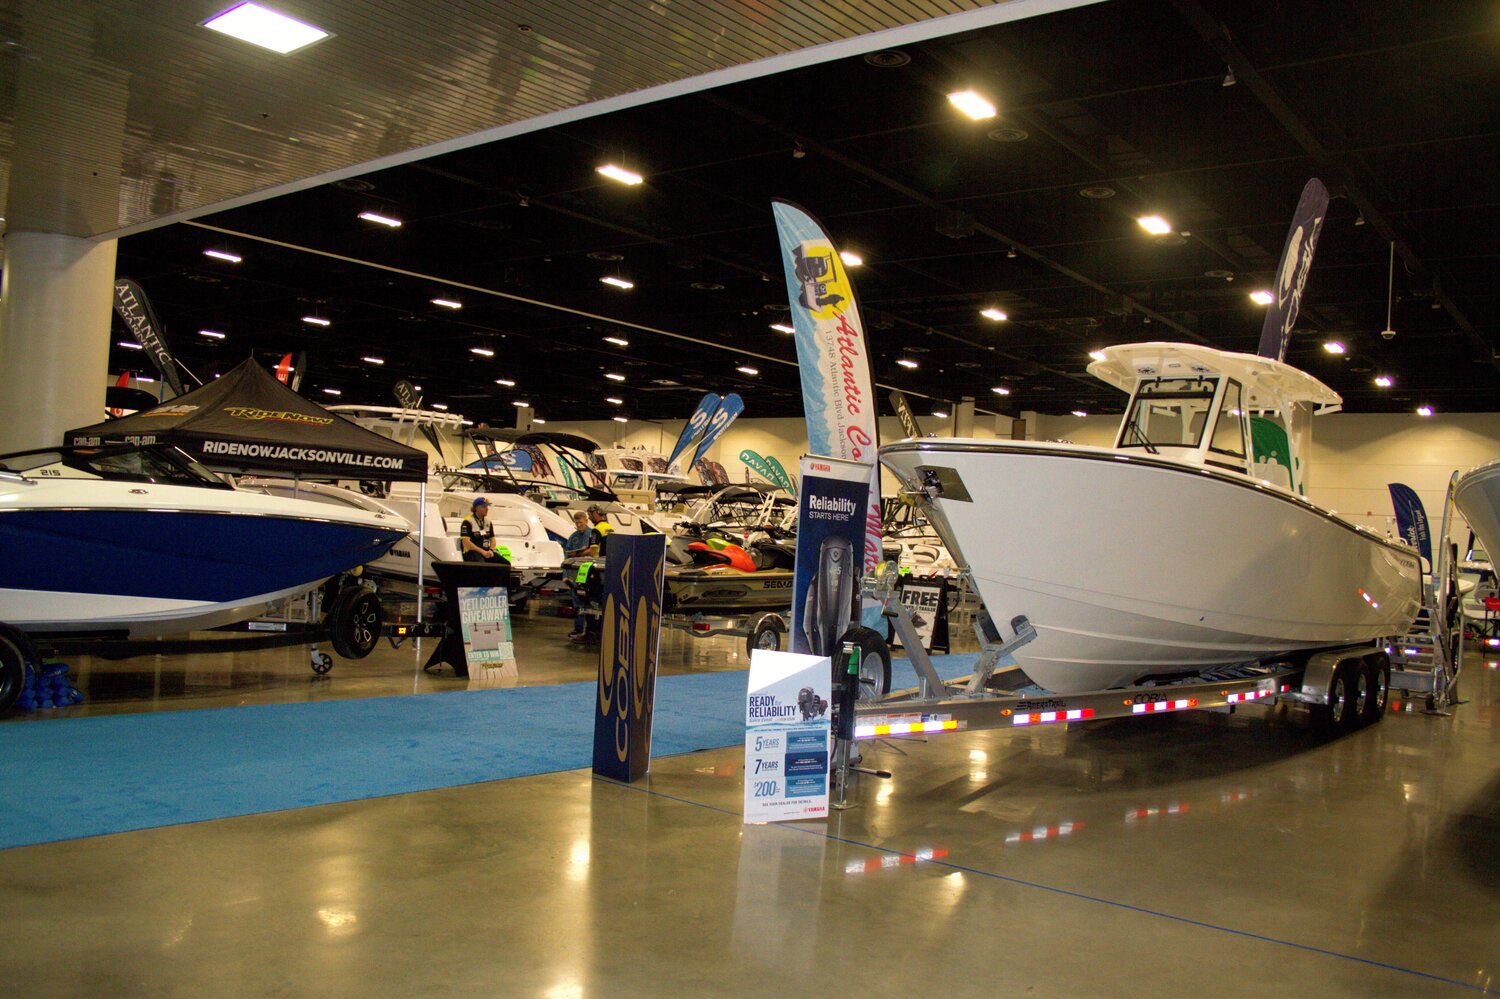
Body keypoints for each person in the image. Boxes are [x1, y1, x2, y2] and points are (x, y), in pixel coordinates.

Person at [460, 497, 502, 562]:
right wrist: (482, 552)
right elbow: (465, 543)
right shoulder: (468, 521)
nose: (487, 509)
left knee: (505, 563)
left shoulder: (488, 521)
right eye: (484, 507)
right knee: (482, 564)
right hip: (472, 552)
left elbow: (492, 538)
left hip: (486, 551)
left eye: (487, 506)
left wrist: (491, 550)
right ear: (476, 508)